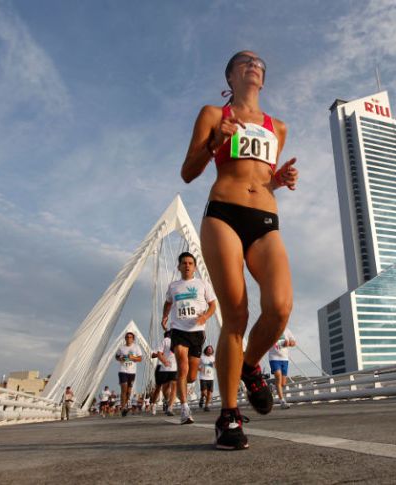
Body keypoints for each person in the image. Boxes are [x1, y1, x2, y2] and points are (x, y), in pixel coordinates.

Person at [181, 51, 298, 450]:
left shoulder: (277, 127)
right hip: (224, 215)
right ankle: (228, 415)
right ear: (230, 75)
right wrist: (216, 140)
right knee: (236, 314)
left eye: (259, 62)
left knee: (280, 307)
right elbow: (189, 170)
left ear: (262, 79)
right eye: (244, 61)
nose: (253, 64)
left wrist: (279, 180)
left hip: (265, 221)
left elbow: (260, 177)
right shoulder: (213, 113)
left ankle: (249, 367)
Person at [160, 252, 217, 425]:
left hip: (197, 332)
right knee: (182, 367)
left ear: (194, 266)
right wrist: (165, 316)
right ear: (178, 266)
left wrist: (205, 317)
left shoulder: (202, 284)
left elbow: (213, 305)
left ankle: (181, 388)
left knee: (191, 376)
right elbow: (168, 302)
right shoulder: (173, 286)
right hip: (179, 330)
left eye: (190, 263)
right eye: (184, 263)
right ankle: (184, 408)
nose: (187, 265)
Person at [115, 332, 143, 417]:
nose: (128, 338)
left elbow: (140, 359)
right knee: (124, 389)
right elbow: (116, 356)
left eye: (130, 337)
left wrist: (133, 358)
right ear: (125, 338)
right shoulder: (121, 348)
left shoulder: (136, 347)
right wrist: (120, 358)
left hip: (132, 372)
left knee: (128, 392)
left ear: (133, 339)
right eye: (127, 337)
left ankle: (126, 404)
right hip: (122, 370)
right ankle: (123, 408)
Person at [268, 328, 296, 409]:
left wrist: (289, 343)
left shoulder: (287, 330)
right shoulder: (270, 329)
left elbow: (294, 342)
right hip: (274, 358)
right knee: (278, 377)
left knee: (283, 383)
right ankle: (282, 401)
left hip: (285, 359)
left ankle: (273, 387)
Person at [198, 345, 216, 411]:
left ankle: (206, 406)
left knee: (210, 392)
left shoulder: (213, 358)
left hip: (211, 377)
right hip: (203, 377)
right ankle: (203, 397)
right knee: (204, 391)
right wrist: (200, 369)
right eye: (208, 349)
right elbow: (196, 366)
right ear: (206, 350)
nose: (209, 350)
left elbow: (215, 365)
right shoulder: (202, 358)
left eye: (211, 349)